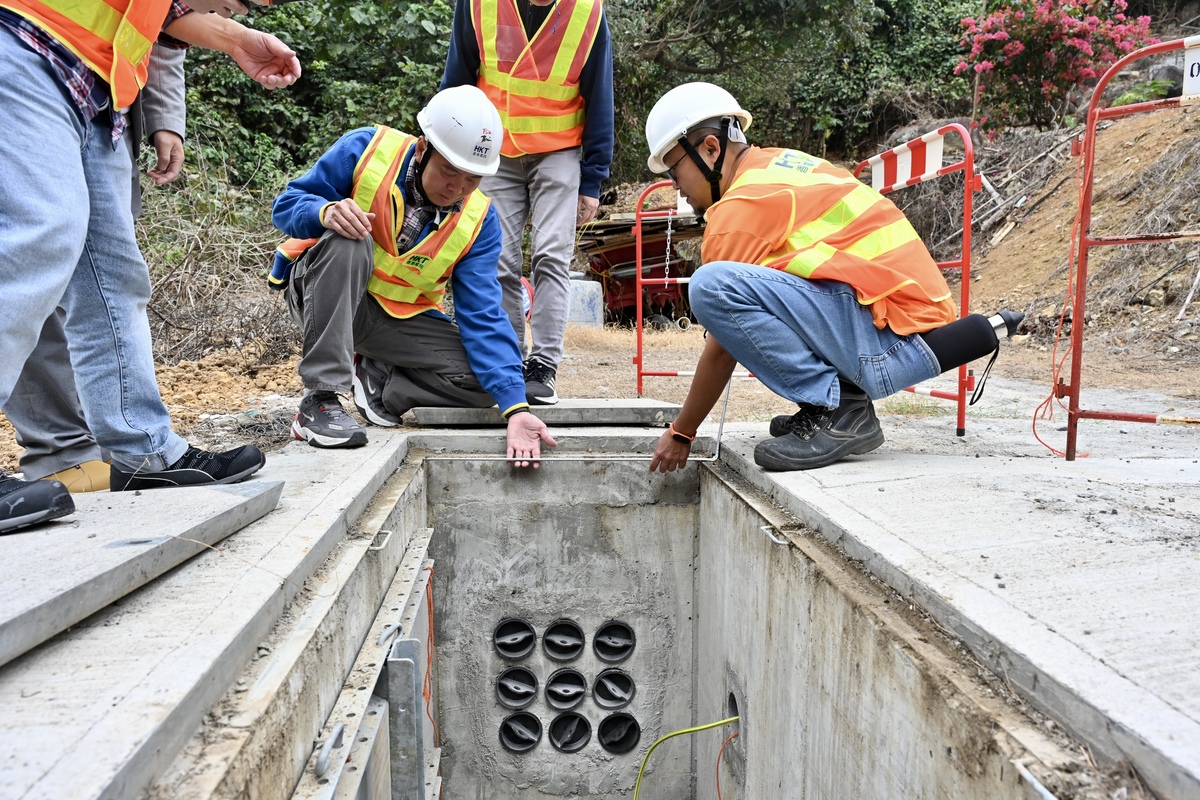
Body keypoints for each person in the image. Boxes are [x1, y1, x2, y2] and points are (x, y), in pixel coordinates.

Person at [0, 0, 301, 535]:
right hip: (28, 38)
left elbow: (152, 13)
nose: (234, 7)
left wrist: (223, 44)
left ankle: (145, 454)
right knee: (39, 238)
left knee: (112, 278)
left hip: (99, 86)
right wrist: (231, 33)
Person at [643, 83, 1021, 474]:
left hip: (890, 345)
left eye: (675, 169)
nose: (675, 186)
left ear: (709, 148)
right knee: (739, 289)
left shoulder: (742, 204)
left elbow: (724, 343)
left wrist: (682, 432)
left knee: (711, 286)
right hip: (901, 326)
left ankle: (840, 409)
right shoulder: (780, 165)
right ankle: (828, 404)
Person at [270, 85, 557, 467]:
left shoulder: (479, 221)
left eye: (473, 179)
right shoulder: (366, 149)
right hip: (322, 291)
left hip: (393, 322)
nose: (457, 188)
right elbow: (287, 205)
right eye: (450, 171)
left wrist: (516, 409)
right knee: (350, 240)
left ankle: (382, 383)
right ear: (423, 149)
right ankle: (320, 400)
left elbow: (483, 315)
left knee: (489, 384)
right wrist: (325, 212)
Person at [440, 0, 614, 405]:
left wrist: (592, 179)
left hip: (560, 150)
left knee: (551, 255)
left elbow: (599, 94)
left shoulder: (587, 11)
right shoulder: (478, 5)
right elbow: (458, 78)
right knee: (495, 258)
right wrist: (448, 152)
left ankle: (543, 366)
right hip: (493, 149)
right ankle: (508, 361)